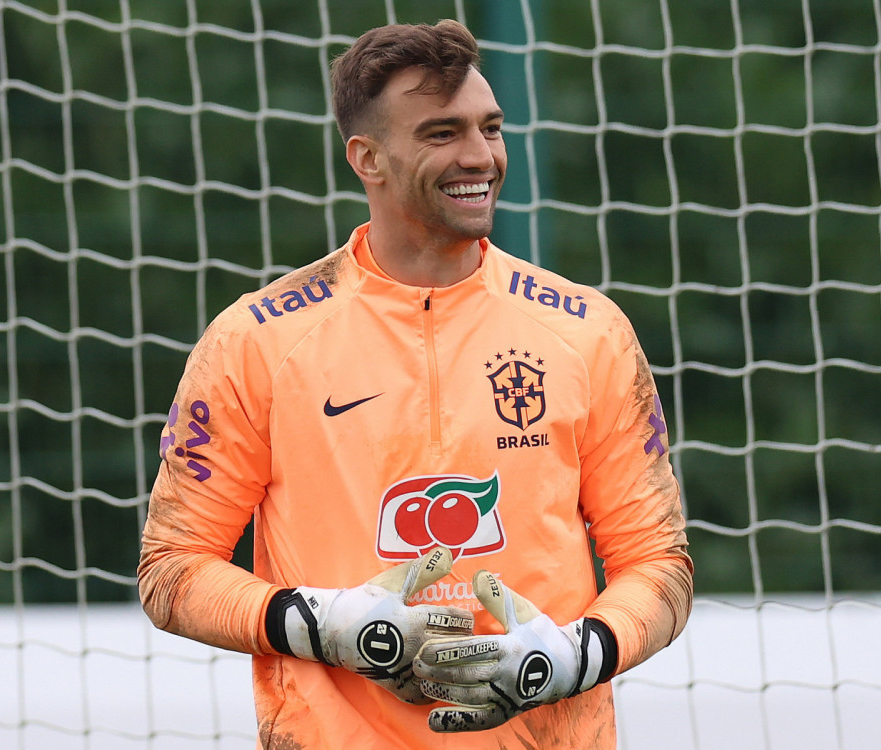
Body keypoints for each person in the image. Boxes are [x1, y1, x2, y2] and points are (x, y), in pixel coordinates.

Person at [138, 18, 692, 749]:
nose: (480, 156)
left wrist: (572, 655)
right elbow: (171, 571)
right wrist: (323, 624)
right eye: (441, 134)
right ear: (366, 158)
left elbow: (660, 565)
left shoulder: (588, 331)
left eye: (490, 128)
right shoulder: (257, 339)